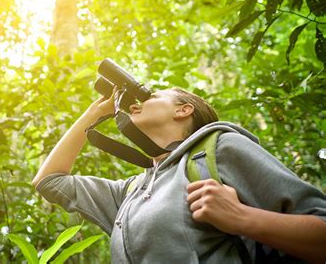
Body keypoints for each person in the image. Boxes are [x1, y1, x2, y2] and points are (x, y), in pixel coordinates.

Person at [32, 87, 326, 263]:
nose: (137, 102)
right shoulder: (132, 191)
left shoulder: (220, 148)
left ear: (183, 110)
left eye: (153, 95)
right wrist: (94, 114)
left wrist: (242, 218)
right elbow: (49, 181)